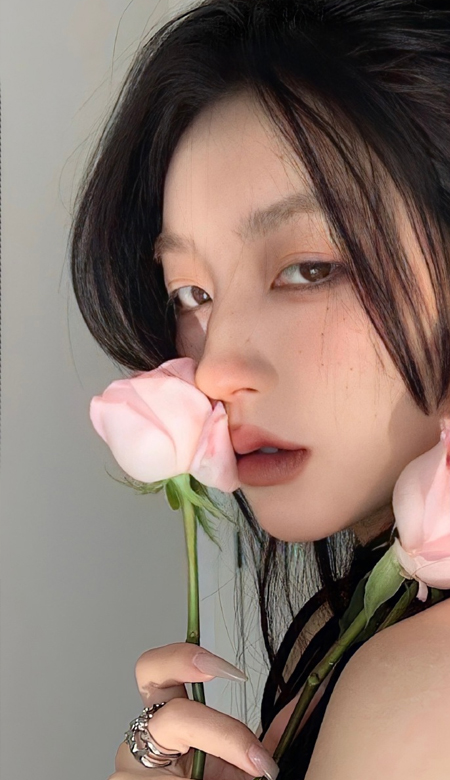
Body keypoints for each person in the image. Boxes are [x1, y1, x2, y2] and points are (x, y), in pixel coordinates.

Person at [69, 1, 450, 778]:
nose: (213, 371)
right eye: (191, 294)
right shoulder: (345, 635)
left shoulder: (418, 690)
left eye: (309, 269)